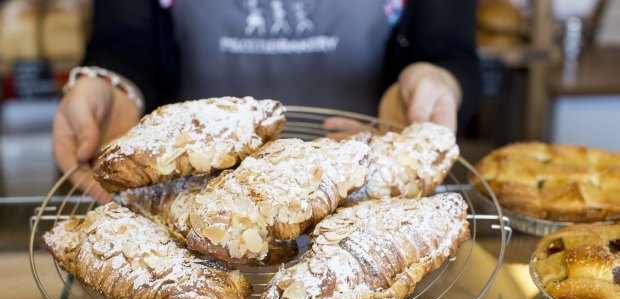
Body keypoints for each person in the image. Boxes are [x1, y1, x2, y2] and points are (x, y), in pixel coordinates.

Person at [53, 0, 481, 200]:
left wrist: (435, 80)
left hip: (364, 192)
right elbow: (124, 38)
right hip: (195, 200)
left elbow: (447, 48)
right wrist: (112, 84)